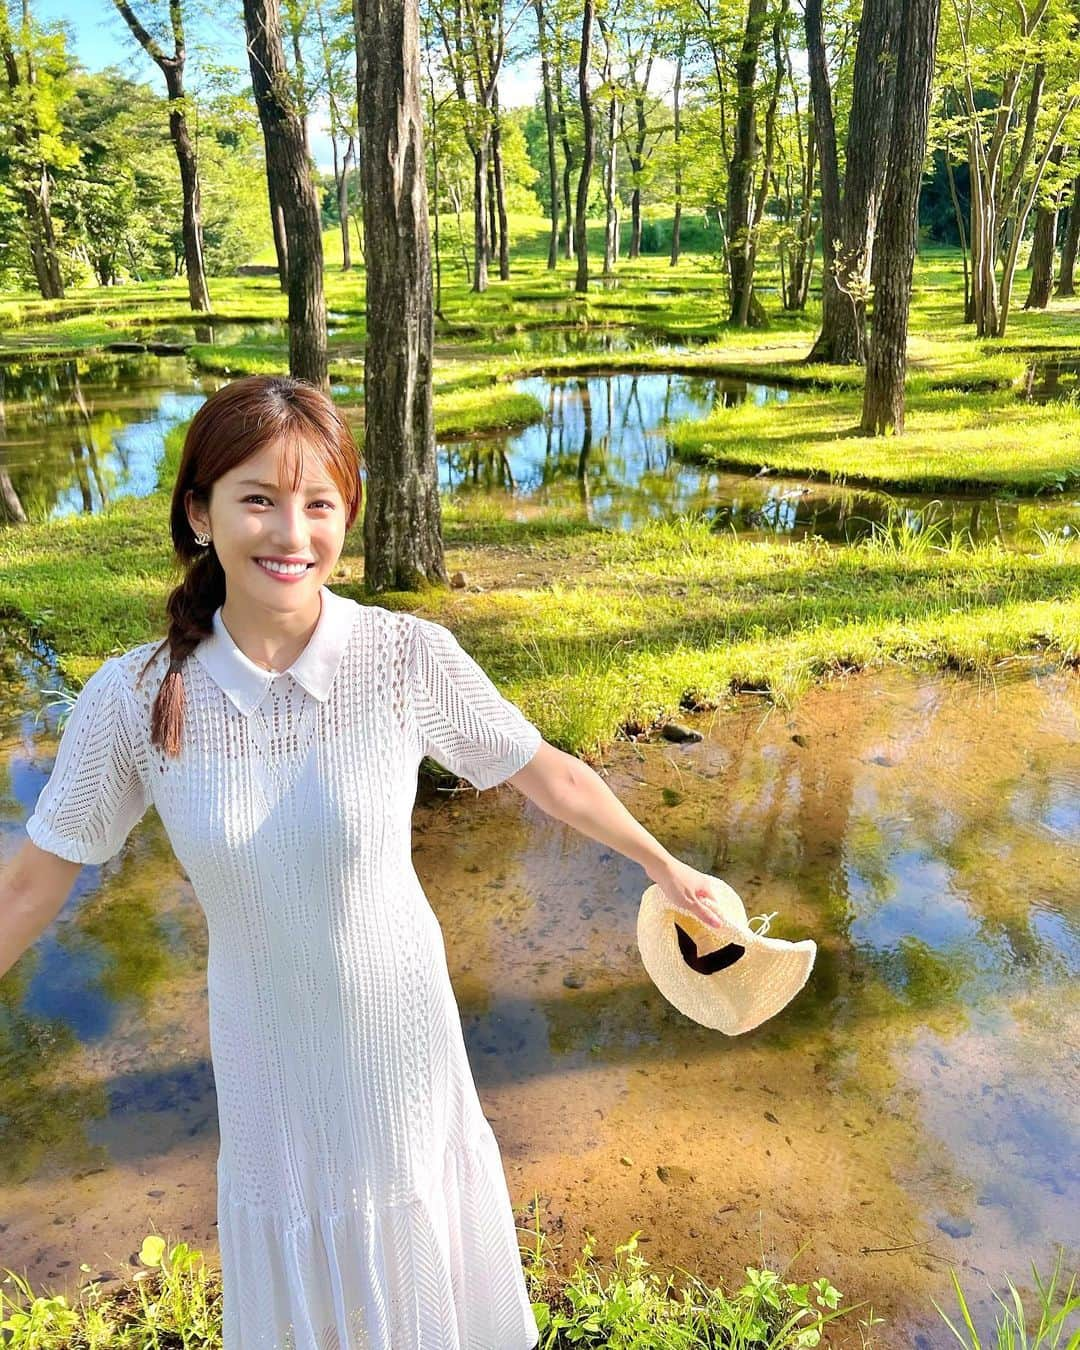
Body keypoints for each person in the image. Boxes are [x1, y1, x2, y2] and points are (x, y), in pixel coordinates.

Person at [1, 374, 731, 1350]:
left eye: (319, 503)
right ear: (198, 512)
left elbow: (542, 772)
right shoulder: (134, 700)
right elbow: (33, 877)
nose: (289, 533)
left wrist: (662, 865)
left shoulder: (402, 658)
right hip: (267, 1060)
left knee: (424, 1275)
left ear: (348, 514)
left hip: (400, 1046)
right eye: (257, 499)